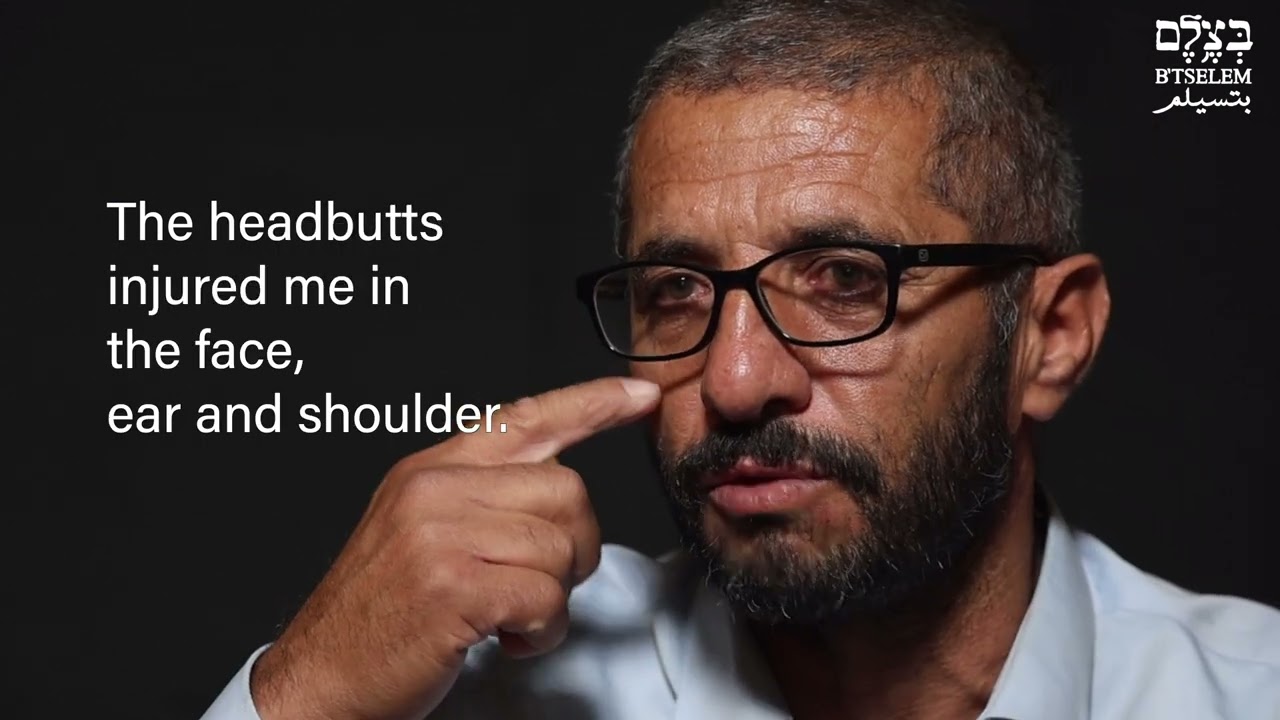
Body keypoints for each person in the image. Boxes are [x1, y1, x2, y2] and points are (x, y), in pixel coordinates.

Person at [201, 1, 1280, 718]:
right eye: (676, 291)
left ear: (1050, 336)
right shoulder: (486, 689)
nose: (735, 381)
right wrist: (308, 697)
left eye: (844, 278)